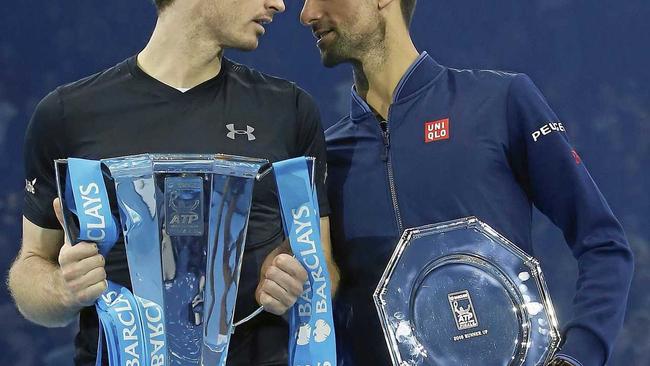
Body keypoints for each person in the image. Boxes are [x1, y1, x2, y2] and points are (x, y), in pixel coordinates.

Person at [299, 0, 633, 365]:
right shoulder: (324, 160)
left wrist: (577, 355)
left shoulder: (499, 102)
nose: (306, 14)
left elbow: (604, 244)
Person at [8, 0, 339, 365]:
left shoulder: (289, 111)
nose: (278, 3)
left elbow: (323, 270)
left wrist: (296, 284)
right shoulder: (67, 115)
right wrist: (62, 288)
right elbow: (30, 272)